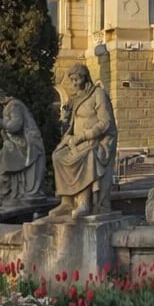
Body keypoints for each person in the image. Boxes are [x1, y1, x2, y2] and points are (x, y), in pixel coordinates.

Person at [50, 64, 117, 218]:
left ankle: (84, 203)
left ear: (85, 78)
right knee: (58, 156)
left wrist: (84, 136)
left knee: (84, 156)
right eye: (72, 80)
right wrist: (67, 131)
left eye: (77, 79)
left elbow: (105, 122)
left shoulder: (98, 94)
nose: (74, 83)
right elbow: (72, 124)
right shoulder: (76, 98)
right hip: (77, 142)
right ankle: (67, 202)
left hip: (97, 141)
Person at [0, 88, 47, 205]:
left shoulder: (14, 105)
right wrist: (5, 140)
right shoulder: (7, 107)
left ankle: (1, 193)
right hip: (18, 143)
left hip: (28, 144)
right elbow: (7, 130)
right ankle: (2, 192)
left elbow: (15, 127)